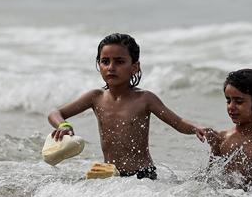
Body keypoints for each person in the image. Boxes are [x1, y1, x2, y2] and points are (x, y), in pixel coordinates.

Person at [48, 33, 203, 179]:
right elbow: (55, 113)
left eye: (119, 62)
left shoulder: (144, 99)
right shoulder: (96, 97)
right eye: (105, 61)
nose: (111, 67)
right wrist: (63, 125)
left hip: (142, 176)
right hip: (110, 175)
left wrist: (197, 127)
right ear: (98, 65)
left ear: (135, 67)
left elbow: (178, 122)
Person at [200, 69, 252, 191]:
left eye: (239, 101)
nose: (231, 107)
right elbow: (209, 180)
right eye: (228, 100)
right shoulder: (222, 138)